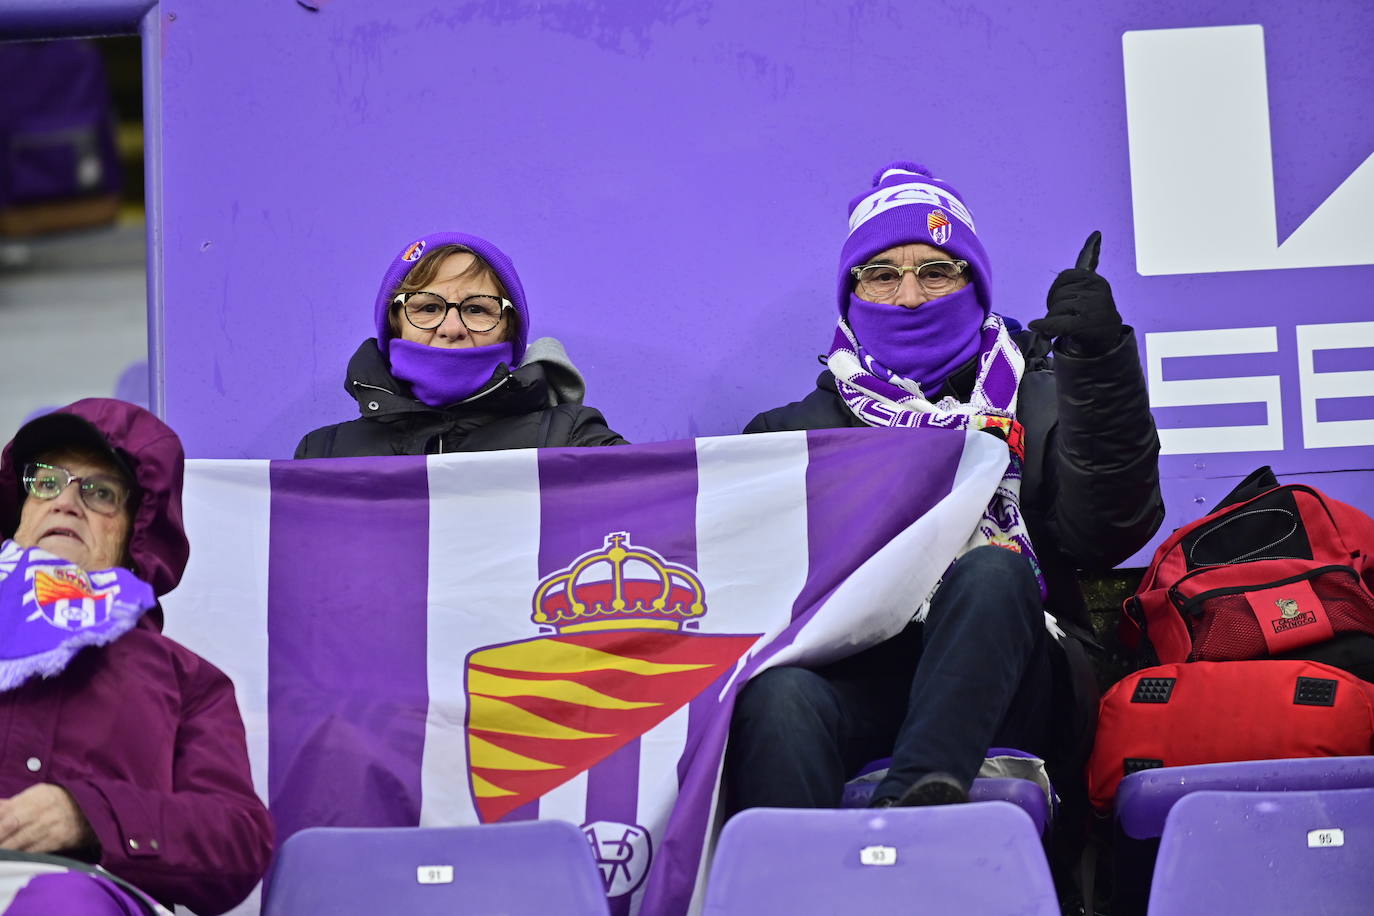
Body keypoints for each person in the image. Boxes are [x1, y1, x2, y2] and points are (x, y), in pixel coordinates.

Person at [724, 161, 1162, 845]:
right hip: (863, 678)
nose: (908, 296)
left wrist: (1101, 371)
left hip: (1016, 674)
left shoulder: (1040, 398)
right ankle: (800, 889)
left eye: (935, 271)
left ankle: (908, 819)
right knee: (780, 701)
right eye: (882, 274)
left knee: (992, 570)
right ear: (851, 293)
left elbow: (1111, 529)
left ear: (974, 285)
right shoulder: (790, 436)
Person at [0, 398, 273, 914]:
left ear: (135, 536)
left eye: (100, 492)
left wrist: (88, 816)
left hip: (81, 893)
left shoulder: (189, 681)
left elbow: (238, 842)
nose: (65, 503)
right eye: (47, 483)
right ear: (19, 510)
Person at [295, 230, 626, 457]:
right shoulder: (324, 453)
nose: (451, 328)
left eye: (476, 309)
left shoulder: (569, 439)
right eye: (427, 307)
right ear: (394, 324)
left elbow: (659, 506)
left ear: (509, 330)